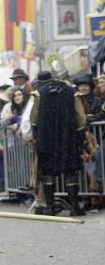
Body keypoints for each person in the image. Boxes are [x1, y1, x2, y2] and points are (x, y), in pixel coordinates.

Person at [30, 71, 87, 216]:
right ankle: (74, 207)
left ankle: (50, 207)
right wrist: (80, 135)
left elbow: (34, 118)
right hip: (68, 137)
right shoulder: (71, 91)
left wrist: (36, 135)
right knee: (70, 170)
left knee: (48, 171)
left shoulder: (39, 93)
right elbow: (81, 117)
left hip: (46, 137)